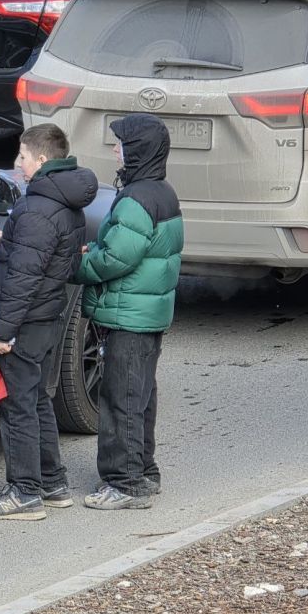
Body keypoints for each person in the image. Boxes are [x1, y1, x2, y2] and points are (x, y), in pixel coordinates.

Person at [0, 123, 99, 520]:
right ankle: (52, 481)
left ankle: (24, 491)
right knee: (38, 398)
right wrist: (8, 240)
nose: (17, 164)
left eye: (22, 157)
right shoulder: (64, 202)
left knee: (17, 406)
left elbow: (22, 278)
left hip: (24, 322)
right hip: (47, 316)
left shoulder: (34, 208)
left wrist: (3, 332)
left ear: (42, 159)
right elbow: (43, 258)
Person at [73, 113, 184, 510]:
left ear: (138, 150)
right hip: (147, 313)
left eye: (121, 143)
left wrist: (78, 264)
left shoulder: (137, 198)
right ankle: (144, 470)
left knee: (121, 397)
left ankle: (125, 483)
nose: (115, 149)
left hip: (128, 315)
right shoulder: (160, 191)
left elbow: (117, 257)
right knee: (140, 396)